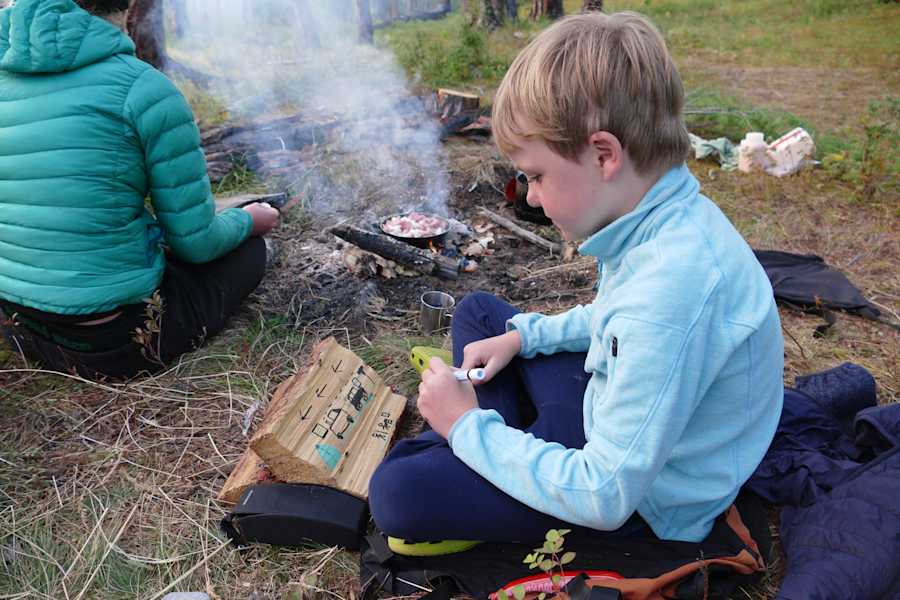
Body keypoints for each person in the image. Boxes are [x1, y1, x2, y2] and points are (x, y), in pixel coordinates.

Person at [369, 12, 784, 551]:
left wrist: (466, 429)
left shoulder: (672, 288)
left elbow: (605, 493)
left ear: (604, 154)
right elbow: (612, 321)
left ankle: (482, 440)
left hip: (639, 500)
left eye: (537, 176)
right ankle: (497, 438)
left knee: (398, 491)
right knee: (482, 317)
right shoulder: (659, 220)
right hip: (613, 418)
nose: (533, 197)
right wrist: (523, 338)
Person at [0, 0, 280, 379]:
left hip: (17, 326)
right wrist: (248, 221)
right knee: (250, 251)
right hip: (112, 344)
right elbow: (195, 245)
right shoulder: (144, 88)